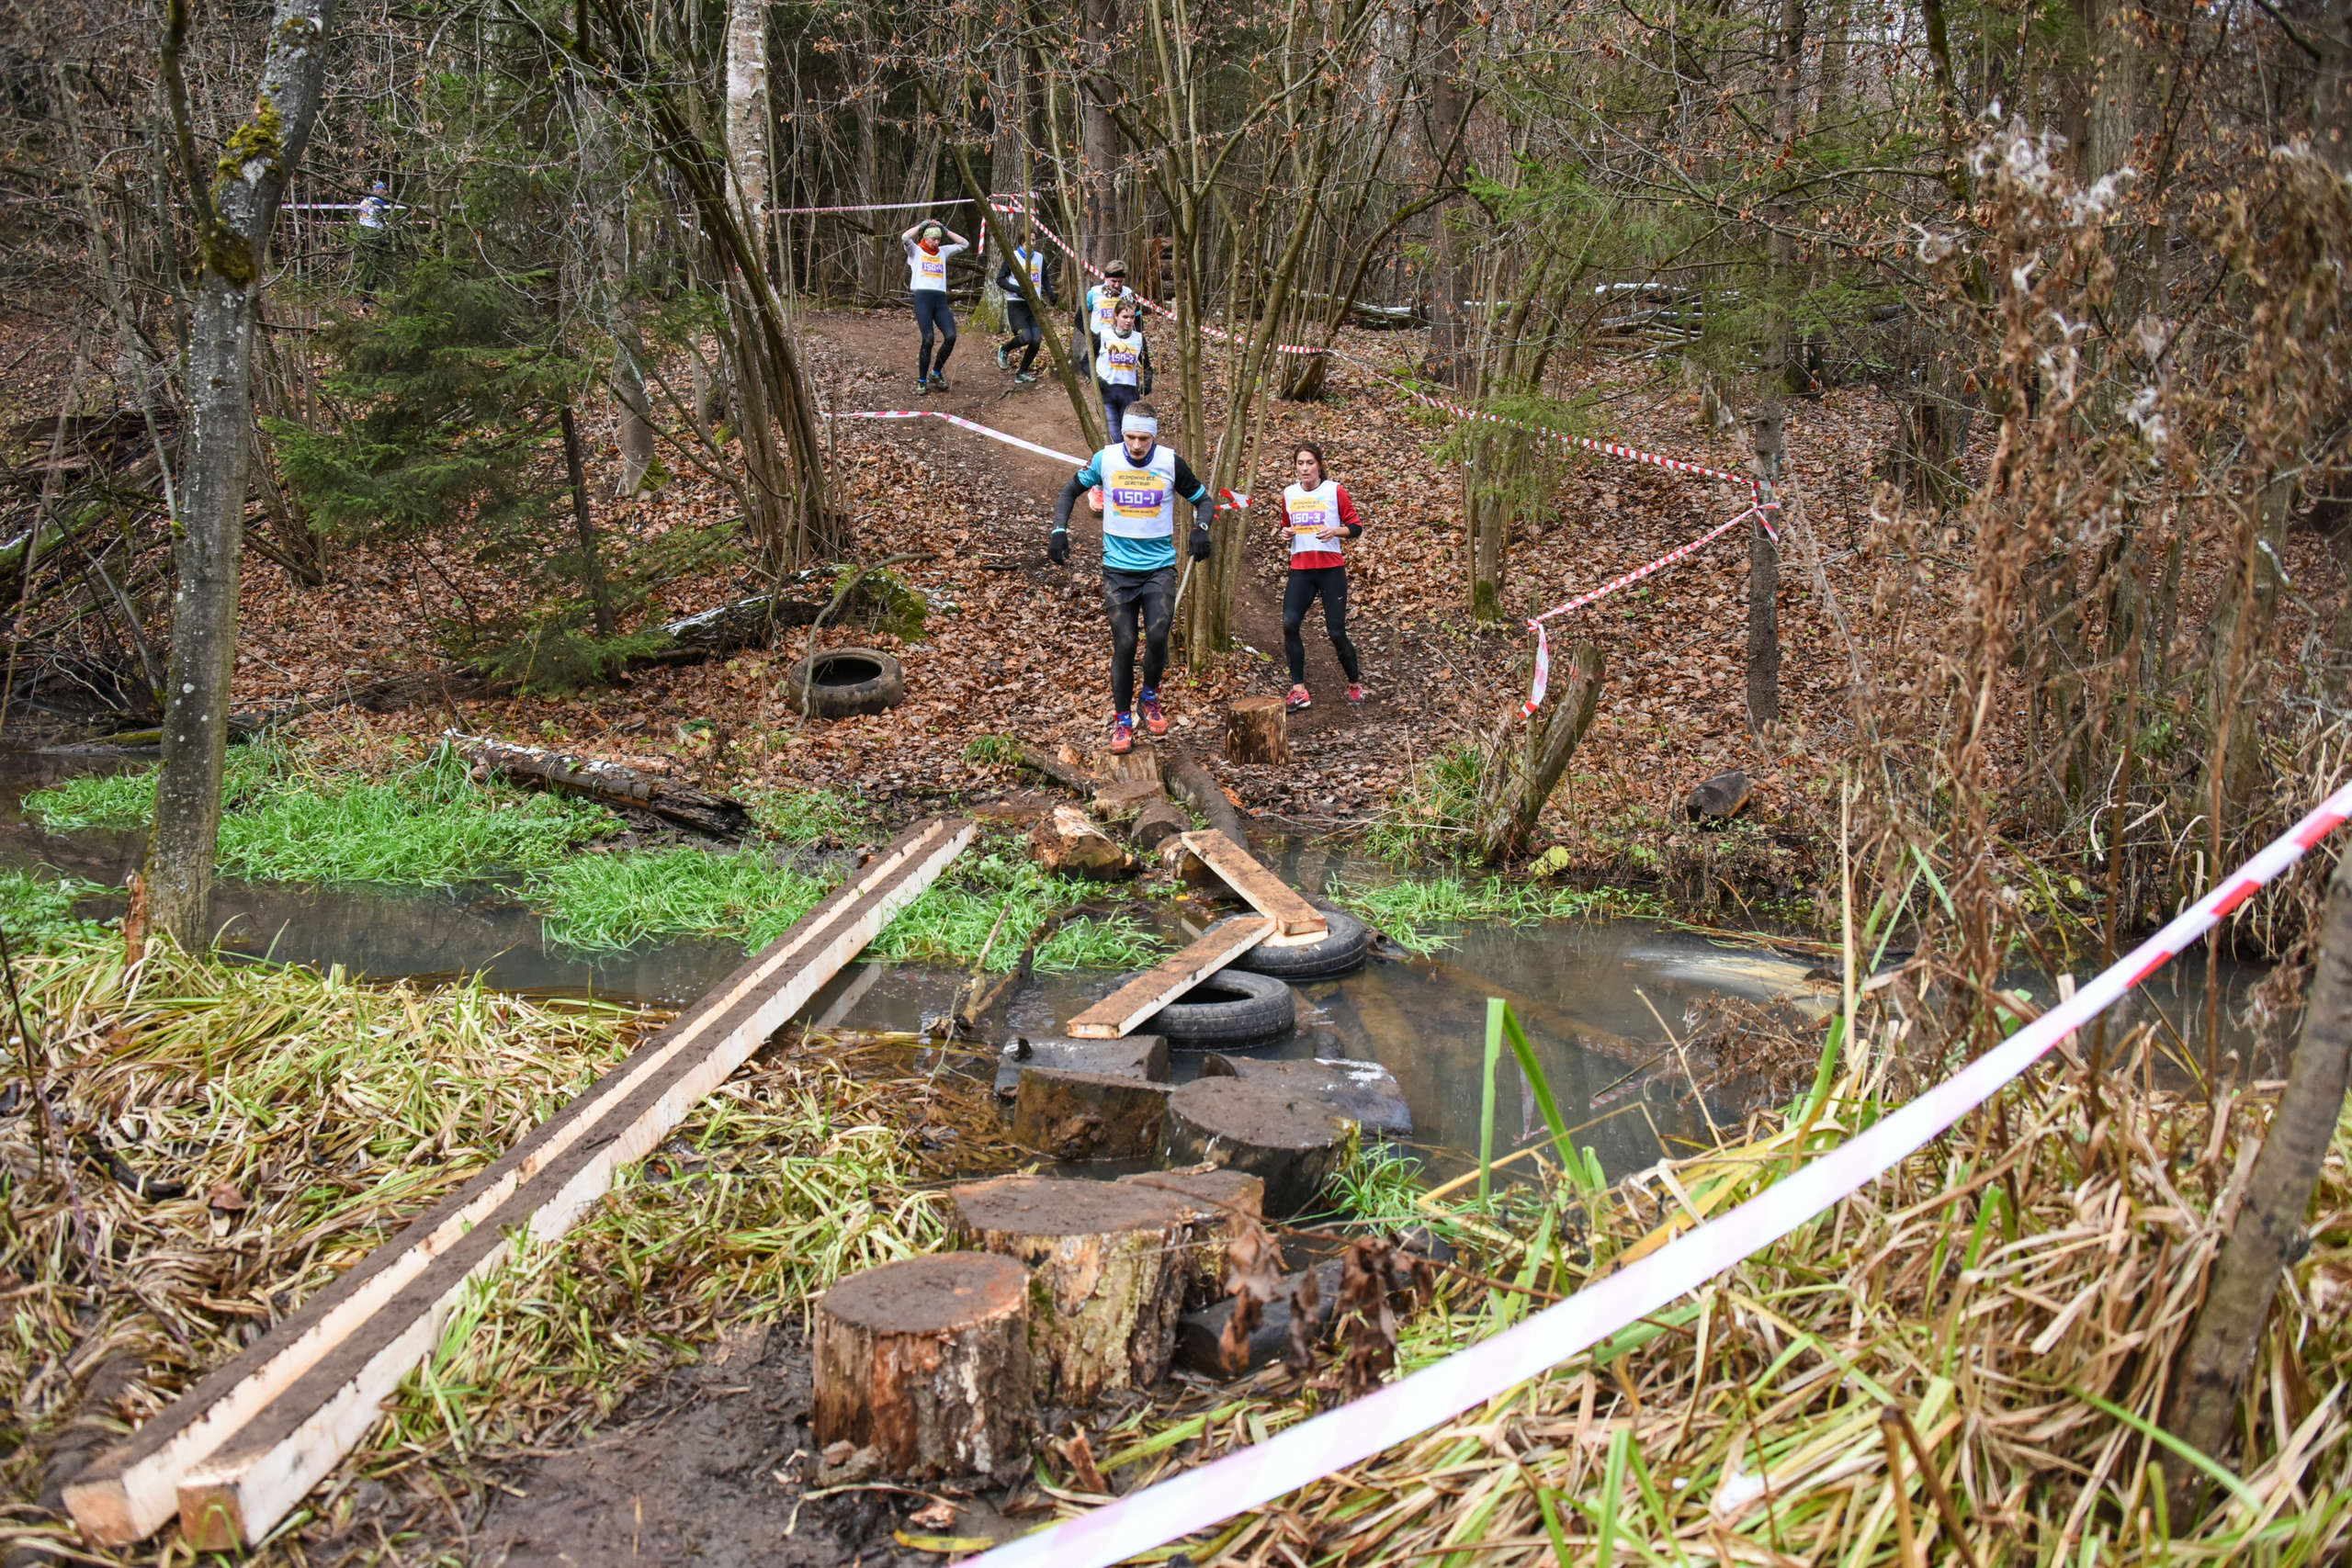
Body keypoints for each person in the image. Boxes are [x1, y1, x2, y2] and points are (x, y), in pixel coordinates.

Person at [1048, 401, 1214, 754]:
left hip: (1158, 568)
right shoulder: (1105, 459)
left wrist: (1201, 527)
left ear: (1153, 436)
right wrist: (1059, 530)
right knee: (1124, 643)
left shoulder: (1170, 462)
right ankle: (1122, 722)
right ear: (1122, 433)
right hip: (1119, 571)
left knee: (1157, 633)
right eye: (1131, 437)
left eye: (1143, 438)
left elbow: (1205, 500)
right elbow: (1068, 490)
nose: (1137, 445)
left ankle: (1149, 698)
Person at [1275, 441, 1365, 710]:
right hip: (1301, 569)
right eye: (1300, 463)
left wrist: (1334, 531)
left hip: (1330, 569)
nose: (1305, 469)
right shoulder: (1289, 493)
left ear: (1319, 465)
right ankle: (1299, 690)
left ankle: (1354, 683)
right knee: (1290, 623)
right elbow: (1285, 526)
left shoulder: (1334, 490)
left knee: (1336, 631)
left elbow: (1356, 527)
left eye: (1310, 463)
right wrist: (1285, 533)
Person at [901, 220, 969, 390]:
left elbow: (964, 244)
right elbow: (905, 237)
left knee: (951, 336)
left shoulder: (943, 252)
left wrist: (945, 231)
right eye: (933, 239)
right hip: (923, 298)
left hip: (940, 300)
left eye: (938, 239)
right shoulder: (915, 251)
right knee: (928, 338)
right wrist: (921, 226)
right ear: (926, 237)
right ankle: (922, 381)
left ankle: (936, 373)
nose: (936, 242)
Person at [994, 240, 1056, 382]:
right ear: (1022, 242)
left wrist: (1051, 294)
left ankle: (1022, 372)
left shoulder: (1039, 258)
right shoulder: (1013, 257)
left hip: (1033, 304)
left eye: (1034, 240)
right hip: (1016, 304)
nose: (1032, 243)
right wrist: (1016, 289)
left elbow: (1044, 278)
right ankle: (1004, 349)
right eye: (1029, 240)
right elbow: (1000, 279)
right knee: (1026, 337)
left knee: (1036, 339)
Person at [1093, 298, 1152, 443]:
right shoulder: (1103, 336)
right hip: (1107, 393)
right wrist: (1097, 379)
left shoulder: (1139, 338)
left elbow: (1148, 367)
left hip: (1129, 393)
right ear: (1116, 316)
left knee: (1129, 437)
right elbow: (1084, 362)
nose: (1129, 321)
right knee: (1116, 438)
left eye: (1132, 317)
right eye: (1125, 317)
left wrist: (1147, 383)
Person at [1080, 259, 1134, 360]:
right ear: (1106, 278)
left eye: (1120, 281)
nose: (1117, 285)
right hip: (1099, 342)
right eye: (1113, 281)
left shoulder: (1129, 293)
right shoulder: (1094, 293)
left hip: (1121, 342)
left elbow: (1139, 320)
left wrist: (1133, 337)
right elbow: (1079, 320)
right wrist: (1092, 336)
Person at [355, 180, 395, 297]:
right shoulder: (378, 201)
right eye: (384, 189)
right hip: (375, 234)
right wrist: (390, 226)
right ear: (377, 190)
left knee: (368, 265)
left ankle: (366, 294)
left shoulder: (365, 201)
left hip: (364, 233)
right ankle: (369, 295)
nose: (386, 192)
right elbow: (382, 217)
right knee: (375, 266)